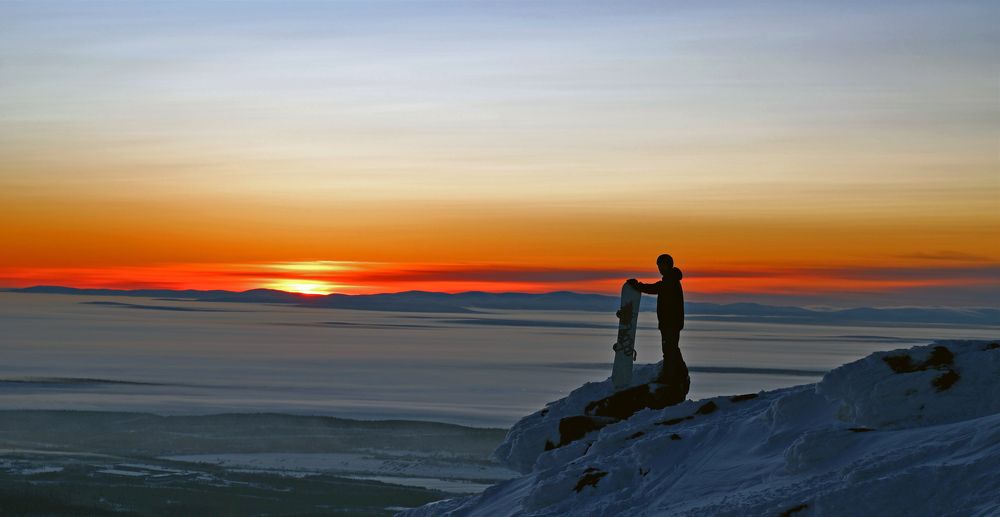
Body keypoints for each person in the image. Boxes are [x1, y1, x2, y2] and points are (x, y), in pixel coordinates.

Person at [627, 254, 688, 396]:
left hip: (670, 323)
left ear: (666, 265)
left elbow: (655, 288)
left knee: (669, 349)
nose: (659, 268)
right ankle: (675, 372)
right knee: (671, 348)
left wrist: (636, 285)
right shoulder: (671, 280)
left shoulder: (670, 281)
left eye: (660, 265)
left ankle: (670, 377)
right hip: (670, 323)